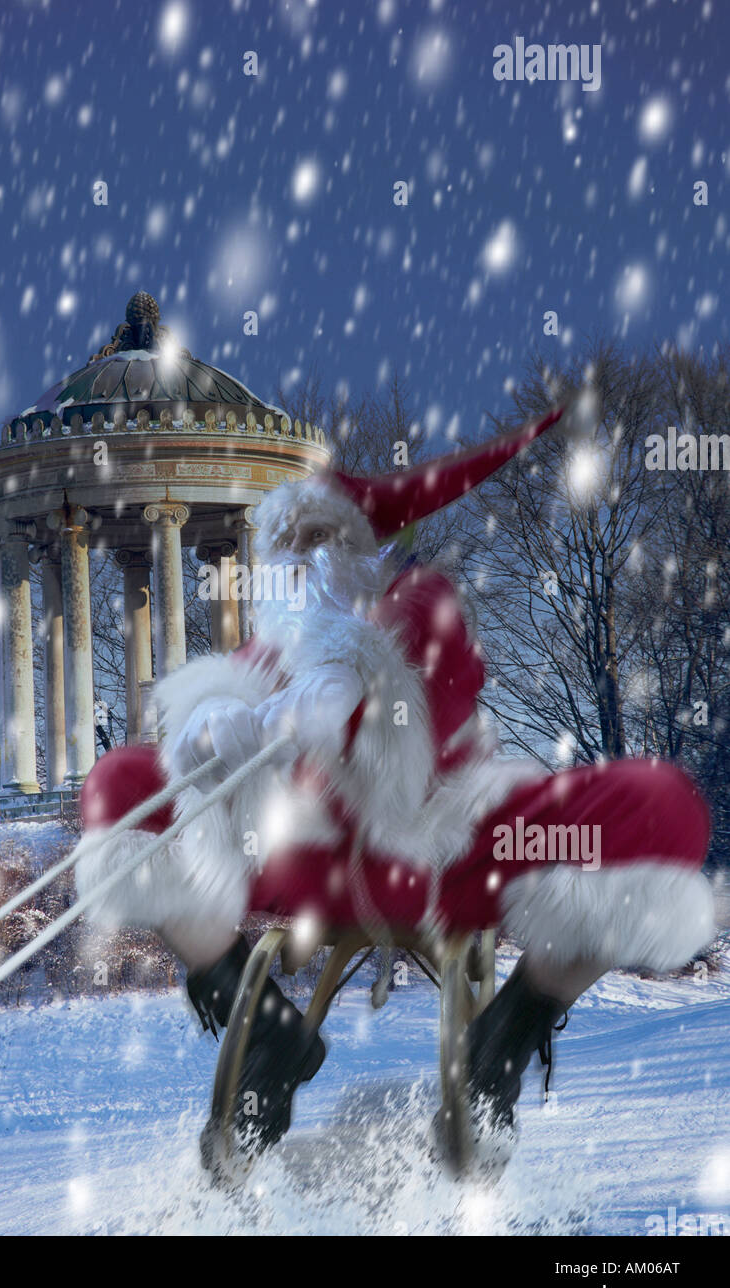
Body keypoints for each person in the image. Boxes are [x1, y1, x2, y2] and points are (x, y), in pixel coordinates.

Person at [76, 408, 715, 1164]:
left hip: (438, 854)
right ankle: (265, 1035)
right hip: (295, 861)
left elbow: (428, 695)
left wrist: (360, 696)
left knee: (660, 805)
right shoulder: (261, 651)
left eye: (321, 539)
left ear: (362, 550)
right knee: (118, 785)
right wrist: (208, 728)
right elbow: (213, 740)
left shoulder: (417, 606)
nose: (300, 559)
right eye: (286, 543)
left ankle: (506, 1037)